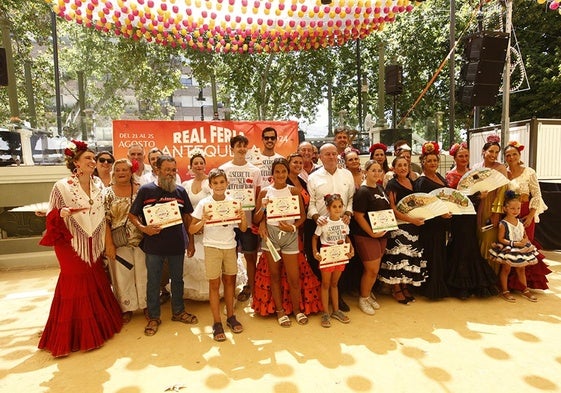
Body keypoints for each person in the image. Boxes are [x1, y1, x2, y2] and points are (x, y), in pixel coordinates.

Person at [38, 139, 122, 357]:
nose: (93, 161)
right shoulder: (62, 186)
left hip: (93, 241)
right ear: (75, 161)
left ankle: (98, 329)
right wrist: (61, 213)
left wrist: (106, 242)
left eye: (94, 158)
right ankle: (70, 335)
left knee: (94, 277)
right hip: (70, 243)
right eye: (88, 158)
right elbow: (51, 216)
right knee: (75, 280)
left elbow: (103, 216)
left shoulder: (99, 186)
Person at [128, 155, 197, 337]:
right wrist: (144, 228)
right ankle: (153, 316)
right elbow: (132, 215)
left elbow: (187, 218)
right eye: (167, 170)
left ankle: (178, 312)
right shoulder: (146, 190)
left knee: (178, 279)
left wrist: (190, 242)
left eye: (173, 170)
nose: (171, 173)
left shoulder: (181, 192)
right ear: (157, 170)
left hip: (176, 244)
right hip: (153, 245)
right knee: (154, 281)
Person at [189, 168, 247, 341]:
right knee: (214, 285)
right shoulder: (204, 204)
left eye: (222, 182)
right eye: (215, 183)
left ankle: (230, 316)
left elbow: (243, 229)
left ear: (227, 183)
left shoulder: (234, 202)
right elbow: (191, 229)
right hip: (212, 247)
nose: (219, 185)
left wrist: (243, 217)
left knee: (230, 282)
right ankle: (216, 322)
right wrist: (203, 221)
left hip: (230, 246)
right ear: (210, 185)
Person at [253, 158, 308, 327]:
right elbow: (256, 219)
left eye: (283, 171)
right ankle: (279, 311)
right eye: (277, 172)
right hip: (271, 235)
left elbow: (302, 217)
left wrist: (293, 228)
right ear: (272, 173)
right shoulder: (264, 192)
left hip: (290, 235)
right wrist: (263, 207)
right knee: (275, 276)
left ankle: (297, 310)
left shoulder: (294, 191)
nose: (281, 175)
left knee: (293, 277)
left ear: (287, 172)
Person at [445, 142, 499, 299]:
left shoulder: (473, 172)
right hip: (458, 216)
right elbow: (453, 197)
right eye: (460, 156)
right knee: (461, 245)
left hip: (472, 215)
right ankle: (460, 285)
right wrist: (476, 196)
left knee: (471, 245)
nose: (464, 158)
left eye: (466, 156)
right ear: (454, 158)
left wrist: (480, 196)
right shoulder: (451, 175)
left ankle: (471, 282)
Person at [307, 143, 355, 312]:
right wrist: (316, 217)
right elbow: (311, 203)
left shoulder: (347, 174)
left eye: (334, 154)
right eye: (327, 154)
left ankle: (338, 299)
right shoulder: (313, 177)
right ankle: (322, 304)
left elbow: (350, 199)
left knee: (340, 264)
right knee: (322, 267)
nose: (332, 157)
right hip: (322, 228)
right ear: (319, 157)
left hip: (342, 227)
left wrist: (348, 213)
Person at [219, 135, 262, 303]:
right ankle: (230, 292)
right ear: (232, 148)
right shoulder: (224, 170)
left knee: (250, 256)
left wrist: (259, 219)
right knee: (230, 258)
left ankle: (251, 288)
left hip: (249, 221)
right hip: (229, 222)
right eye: (239, 146)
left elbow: (258, 196)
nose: (242, 149)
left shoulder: (255, 170)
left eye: (245, 145)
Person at [378, 156, 427, 304]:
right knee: (399, 257)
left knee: (408, 257)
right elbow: (392, 208)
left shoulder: (412, 182)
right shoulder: (392, 185)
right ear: (393, 168)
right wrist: (411, 220)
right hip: (400, 225)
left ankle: (405, 285)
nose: (403, 168)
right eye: (399, 165)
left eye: (405, 165)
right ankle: (396, 288)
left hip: (413, 225)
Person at [503, 141, 551, 291]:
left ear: (519, 155)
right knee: (510, 246)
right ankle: (509, 283)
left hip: (525, 213)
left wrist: (531, 215)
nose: (511, 157)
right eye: (508, 155)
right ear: (505, 157)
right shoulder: (503, 172)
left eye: (514, 154)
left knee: (525, 245)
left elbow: (536, 195)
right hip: (508, 214)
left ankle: (525, 283)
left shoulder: (529, 172)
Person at [103, 158, 146, 323]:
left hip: (142, 240)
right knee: (121, 276)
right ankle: (126, 307)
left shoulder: (141, 190)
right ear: (114, 173)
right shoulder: (107, 193)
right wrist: (109, 244)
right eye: (118, 170)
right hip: (118, 242)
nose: (121, 173)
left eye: (125, 170)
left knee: (144, 273)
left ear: (131, 172)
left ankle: (146, 305)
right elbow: (105, 220)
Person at [414, 142, 452, 300]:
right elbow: (421, 206)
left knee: (440, 254)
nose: (432, 163)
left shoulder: (439, 176)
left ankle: (439, 285)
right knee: (432, 255)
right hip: (430, 224)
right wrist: (439, 215)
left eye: (435, 160)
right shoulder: (422, 182)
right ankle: (431, 288)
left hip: (441, 223)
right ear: (423, 162)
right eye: (429, 161)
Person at [351, 160, 389, 315]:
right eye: (373, 170)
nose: (376, 173)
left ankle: (368, 294)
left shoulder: (380, 188)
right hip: (366, 235)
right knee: (371, 269)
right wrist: (371, 233)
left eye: (379, 170)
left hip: (381, 234)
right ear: (365, 172)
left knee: (375, 269)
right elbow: (359, 216)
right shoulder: (363, 191)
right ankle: (363, 298)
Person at [312, 194, 354, 328]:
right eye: (334, 206)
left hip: (340, 254)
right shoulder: (323, 222)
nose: (337, 209)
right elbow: (314, 238)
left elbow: (346, 237)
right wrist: (315, 252)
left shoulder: (344, 222)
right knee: (325, 284)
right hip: (327, 253)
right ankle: (325, 313)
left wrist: (351, 249)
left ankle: (336, 311)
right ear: (328, 208)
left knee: (335, 283)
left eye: (340, 206)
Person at [489, 191, 539, 302]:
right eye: (512, 208)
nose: (516, 211)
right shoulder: (503, 223)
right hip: (509, 249)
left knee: (521, 269)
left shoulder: (520, 222)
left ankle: (525, 289)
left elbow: (524, 234)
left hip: (520, 249)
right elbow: (501, 239)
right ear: (505, 209)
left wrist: (525, 240)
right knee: (506, 269)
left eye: (518, 209)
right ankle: (505, 290)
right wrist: (514, 244)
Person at [472, 135, 508, 274]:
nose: (493, 155)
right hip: (477, 206)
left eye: (496, 152)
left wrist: (496, 213)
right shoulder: (476, 167)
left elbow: (501, 193)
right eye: (491, 151)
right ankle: (479, 276)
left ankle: (491, 277)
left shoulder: (501, 169)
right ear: (483, 151)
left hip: (492, 207)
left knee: (490, 242)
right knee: (478, 239)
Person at [181, 151, 212, 300]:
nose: (199, 166)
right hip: (193, 228)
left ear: (205, 165)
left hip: (210, 229)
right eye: (196, 163)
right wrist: (192, 230)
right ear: (191, 167)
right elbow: (186, 212)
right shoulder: (186, 185)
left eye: (201, 163)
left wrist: (204, 225)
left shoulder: (211, 183)